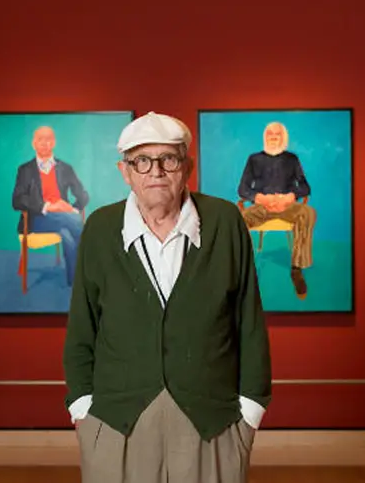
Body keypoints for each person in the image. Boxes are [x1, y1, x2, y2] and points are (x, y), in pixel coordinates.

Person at [63, 111, 272, 483]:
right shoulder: (100, 228)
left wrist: (251, 411)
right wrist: (82, 408)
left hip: (213, 419)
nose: (155, 171)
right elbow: (82, 327)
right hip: (115, 420)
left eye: (168, 159)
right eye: (141, 161)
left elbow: (249, 322)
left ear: (186, 166)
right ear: (125, 171)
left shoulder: (224, 222)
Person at [237, 121, 317, 298]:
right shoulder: (254, 159)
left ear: (284, 137)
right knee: (238, 218)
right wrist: (260, 198)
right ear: (265, 137)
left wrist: (290, 197)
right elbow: (242, 189)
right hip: (261, 207)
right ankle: (243, 271)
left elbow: (305, 187)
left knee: (308, 213)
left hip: (286, 207)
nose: (273, 137)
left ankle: (297, 268)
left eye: (277, 134)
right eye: (270, 134)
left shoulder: (291, 159)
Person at [11, 125, 89, 286]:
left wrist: (71, 209)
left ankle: (74, 282)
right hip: (37, 220)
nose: (45, 143)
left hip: (65, 219)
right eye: (41, 139)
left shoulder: (65, 168)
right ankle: (92, 266)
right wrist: (48, 206)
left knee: (68, 234)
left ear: (54, 143)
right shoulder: (25, 170)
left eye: (49, 139)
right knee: (73, 222)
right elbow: (17, 200)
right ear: (34, 143)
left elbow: (83, 195)